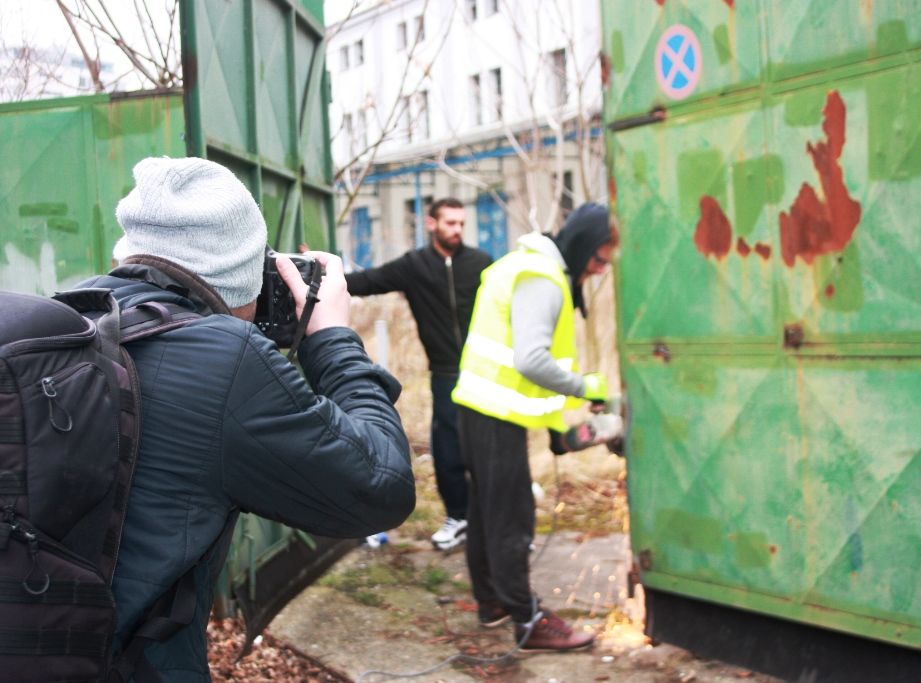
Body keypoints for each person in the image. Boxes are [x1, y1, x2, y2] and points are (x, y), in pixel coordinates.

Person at [79, 156, 416, 681]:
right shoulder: (225, 362)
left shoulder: (73, 320)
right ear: (240, 275)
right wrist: (332, 339)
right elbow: (382, 485)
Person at [451, 202, 617, 651]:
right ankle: (528, 622)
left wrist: (560, 435)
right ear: (582, 245)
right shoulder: (542, 278)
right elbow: (531, 360)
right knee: (511, 519)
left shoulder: (529, 264)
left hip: (481, 408)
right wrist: (587, 387)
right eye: (599, 259)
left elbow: (522, 370)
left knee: (487, 514)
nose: (600, 270)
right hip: (494, 415)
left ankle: (493, 603)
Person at [345, 198, 491, 551]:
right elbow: (367, 281)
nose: (457, 229)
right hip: (445, 374)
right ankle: (459, 517)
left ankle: (494, 521)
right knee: (448, 450)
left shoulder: (482, 264)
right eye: (450, 223)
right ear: (431, 224)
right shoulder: (415, 266)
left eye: (460, 223)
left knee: (489, 448)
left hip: (486, 371)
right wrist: (324, 272)